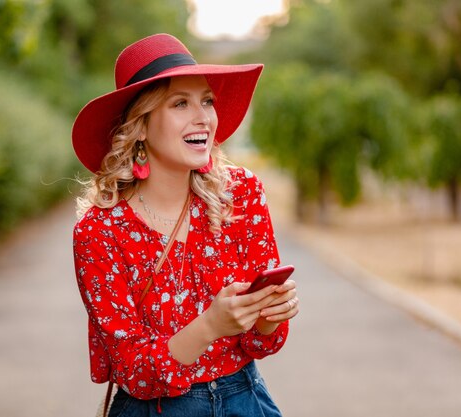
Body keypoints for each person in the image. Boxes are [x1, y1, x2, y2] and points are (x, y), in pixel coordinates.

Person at [72, 33, 299, 417]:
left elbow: (262, 343)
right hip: (154, 409)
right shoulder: (99, 232)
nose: (204, 117)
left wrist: (266, 315)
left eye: (207, 101)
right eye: (180, 103)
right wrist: (210, 325)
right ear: (140, 126)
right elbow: (133, 371)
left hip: (245, 398)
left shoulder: (241, 195)